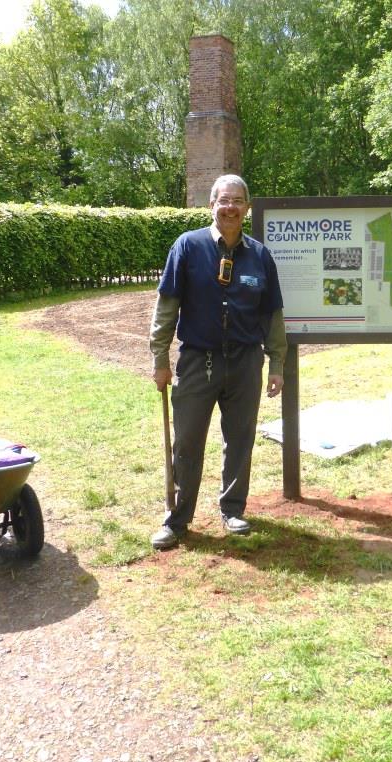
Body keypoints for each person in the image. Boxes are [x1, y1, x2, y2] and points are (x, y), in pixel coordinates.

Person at [149, 174, 287, 550]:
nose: (230, 208)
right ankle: (177, 520)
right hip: (197, 362)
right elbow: (167, 308)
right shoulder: (187, 247)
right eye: (223, 200)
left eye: (237, 201)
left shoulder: (260, 255)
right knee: (187, 442)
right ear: (211, 205)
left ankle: (232, 509)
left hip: (245, 363)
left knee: (240, 440)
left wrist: (277, 364)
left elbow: (272, 314)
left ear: (247, 207)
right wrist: (160, 358)